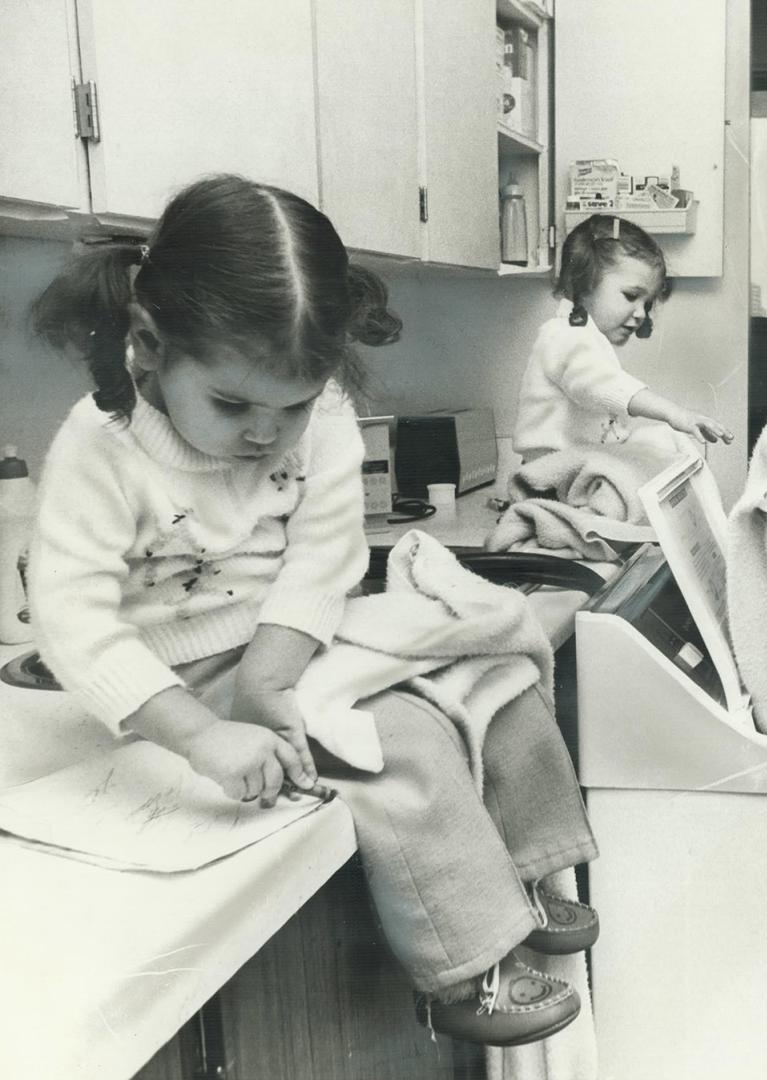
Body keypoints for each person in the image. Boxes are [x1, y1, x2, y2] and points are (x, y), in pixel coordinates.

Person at [27, 175, 596, 1048]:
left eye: (292, 405)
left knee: (496, 667)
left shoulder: (320, 415)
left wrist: (271, 674)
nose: (266, 435)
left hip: (293, 643)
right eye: (233, 405)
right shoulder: (100, 450)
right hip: (174, 681)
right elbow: (73, 623)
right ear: (148, 346)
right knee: (401, 746)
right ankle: (468, 964)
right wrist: (202, 734)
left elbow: (326, 556)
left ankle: (531, 870)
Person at [513, 213, 731, 463]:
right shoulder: (564, 337)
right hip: (550, 472)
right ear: (583, 284)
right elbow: (602, 386)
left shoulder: (584, 338)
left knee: (664, 442)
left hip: (574, 467)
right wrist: (675, 414)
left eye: (647, 303)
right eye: (630, 296)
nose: (640, 313)